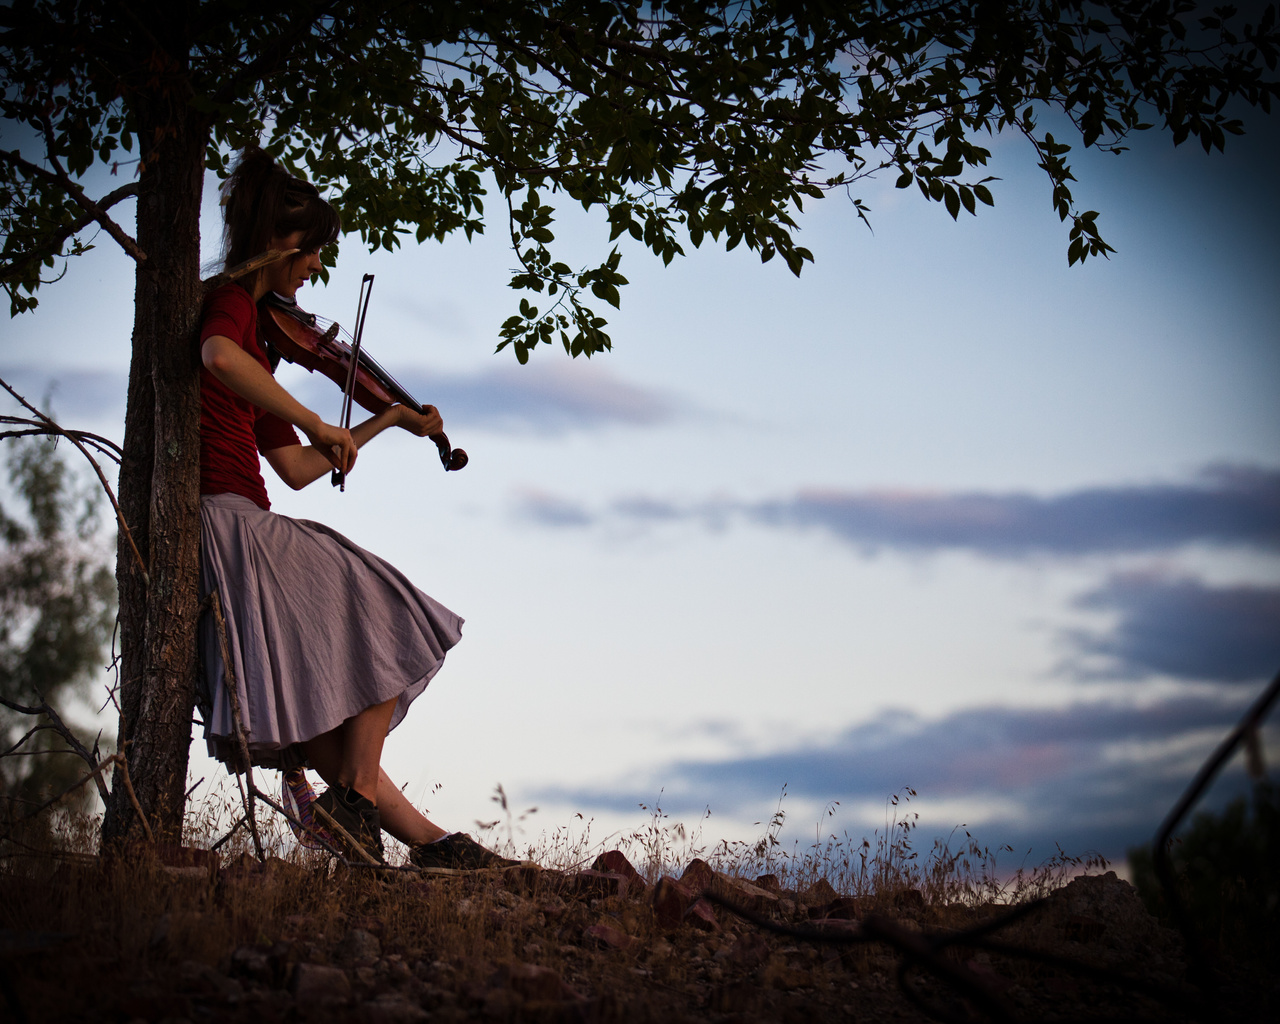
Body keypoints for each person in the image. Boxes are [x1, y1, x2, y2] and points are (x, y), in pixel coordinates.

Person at [197, 147, 512, 871]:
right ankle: (360, 795)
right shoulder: (232, 306)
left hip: (244, 516)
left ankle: (432, 846)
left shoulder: (262, 353)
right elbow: (218, 356)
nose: (314, 272)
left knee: (327, 735)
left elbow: (302, 470)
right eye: (312, 255)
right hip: (229, 521)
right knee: (390, 608)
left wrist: (384, 422)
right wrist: (316, 417)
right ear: (282, 244)